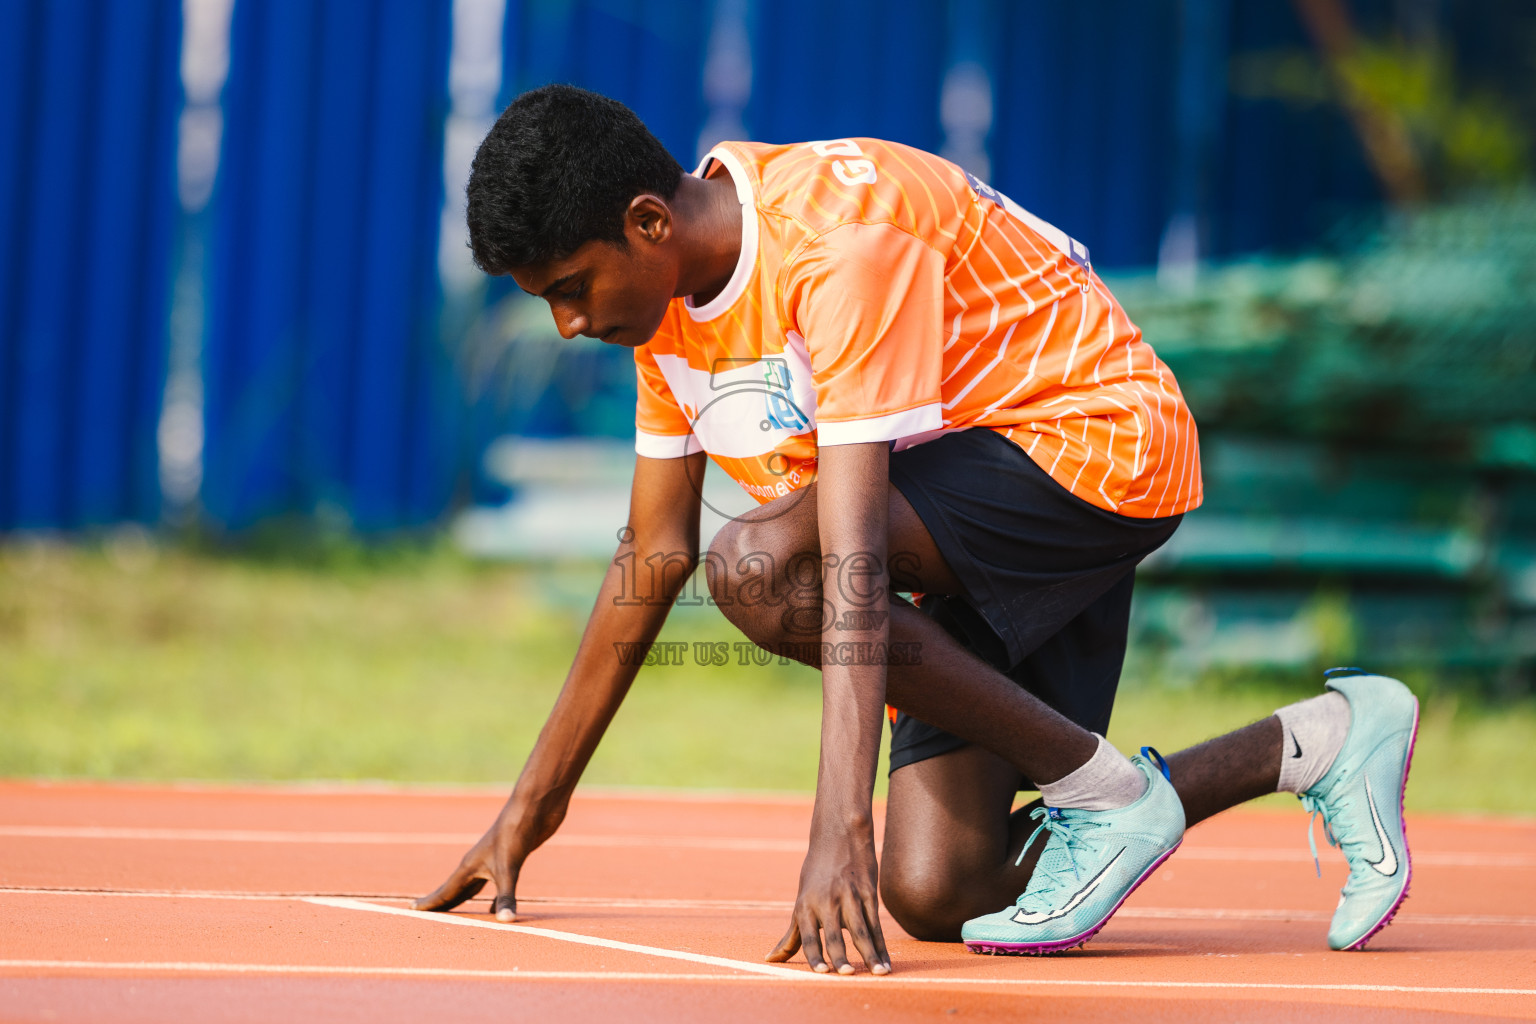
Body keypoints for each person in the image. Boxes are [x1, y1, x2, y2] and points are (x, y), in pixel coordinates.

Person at [414, 84, 1418, 973]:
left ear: (646, 224)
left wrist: (836, 829)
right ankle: (1313, 742)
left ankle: (1106, 795)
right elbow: (652, 551)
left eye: (570, 290)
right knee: (943, 888)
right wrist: (530, 813)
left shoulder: (836, 240)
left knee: (760, 565)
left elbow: (849, 554)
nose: (567, 324)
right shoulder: (664, 307)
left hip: (1095, 443)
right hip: (961, 509)